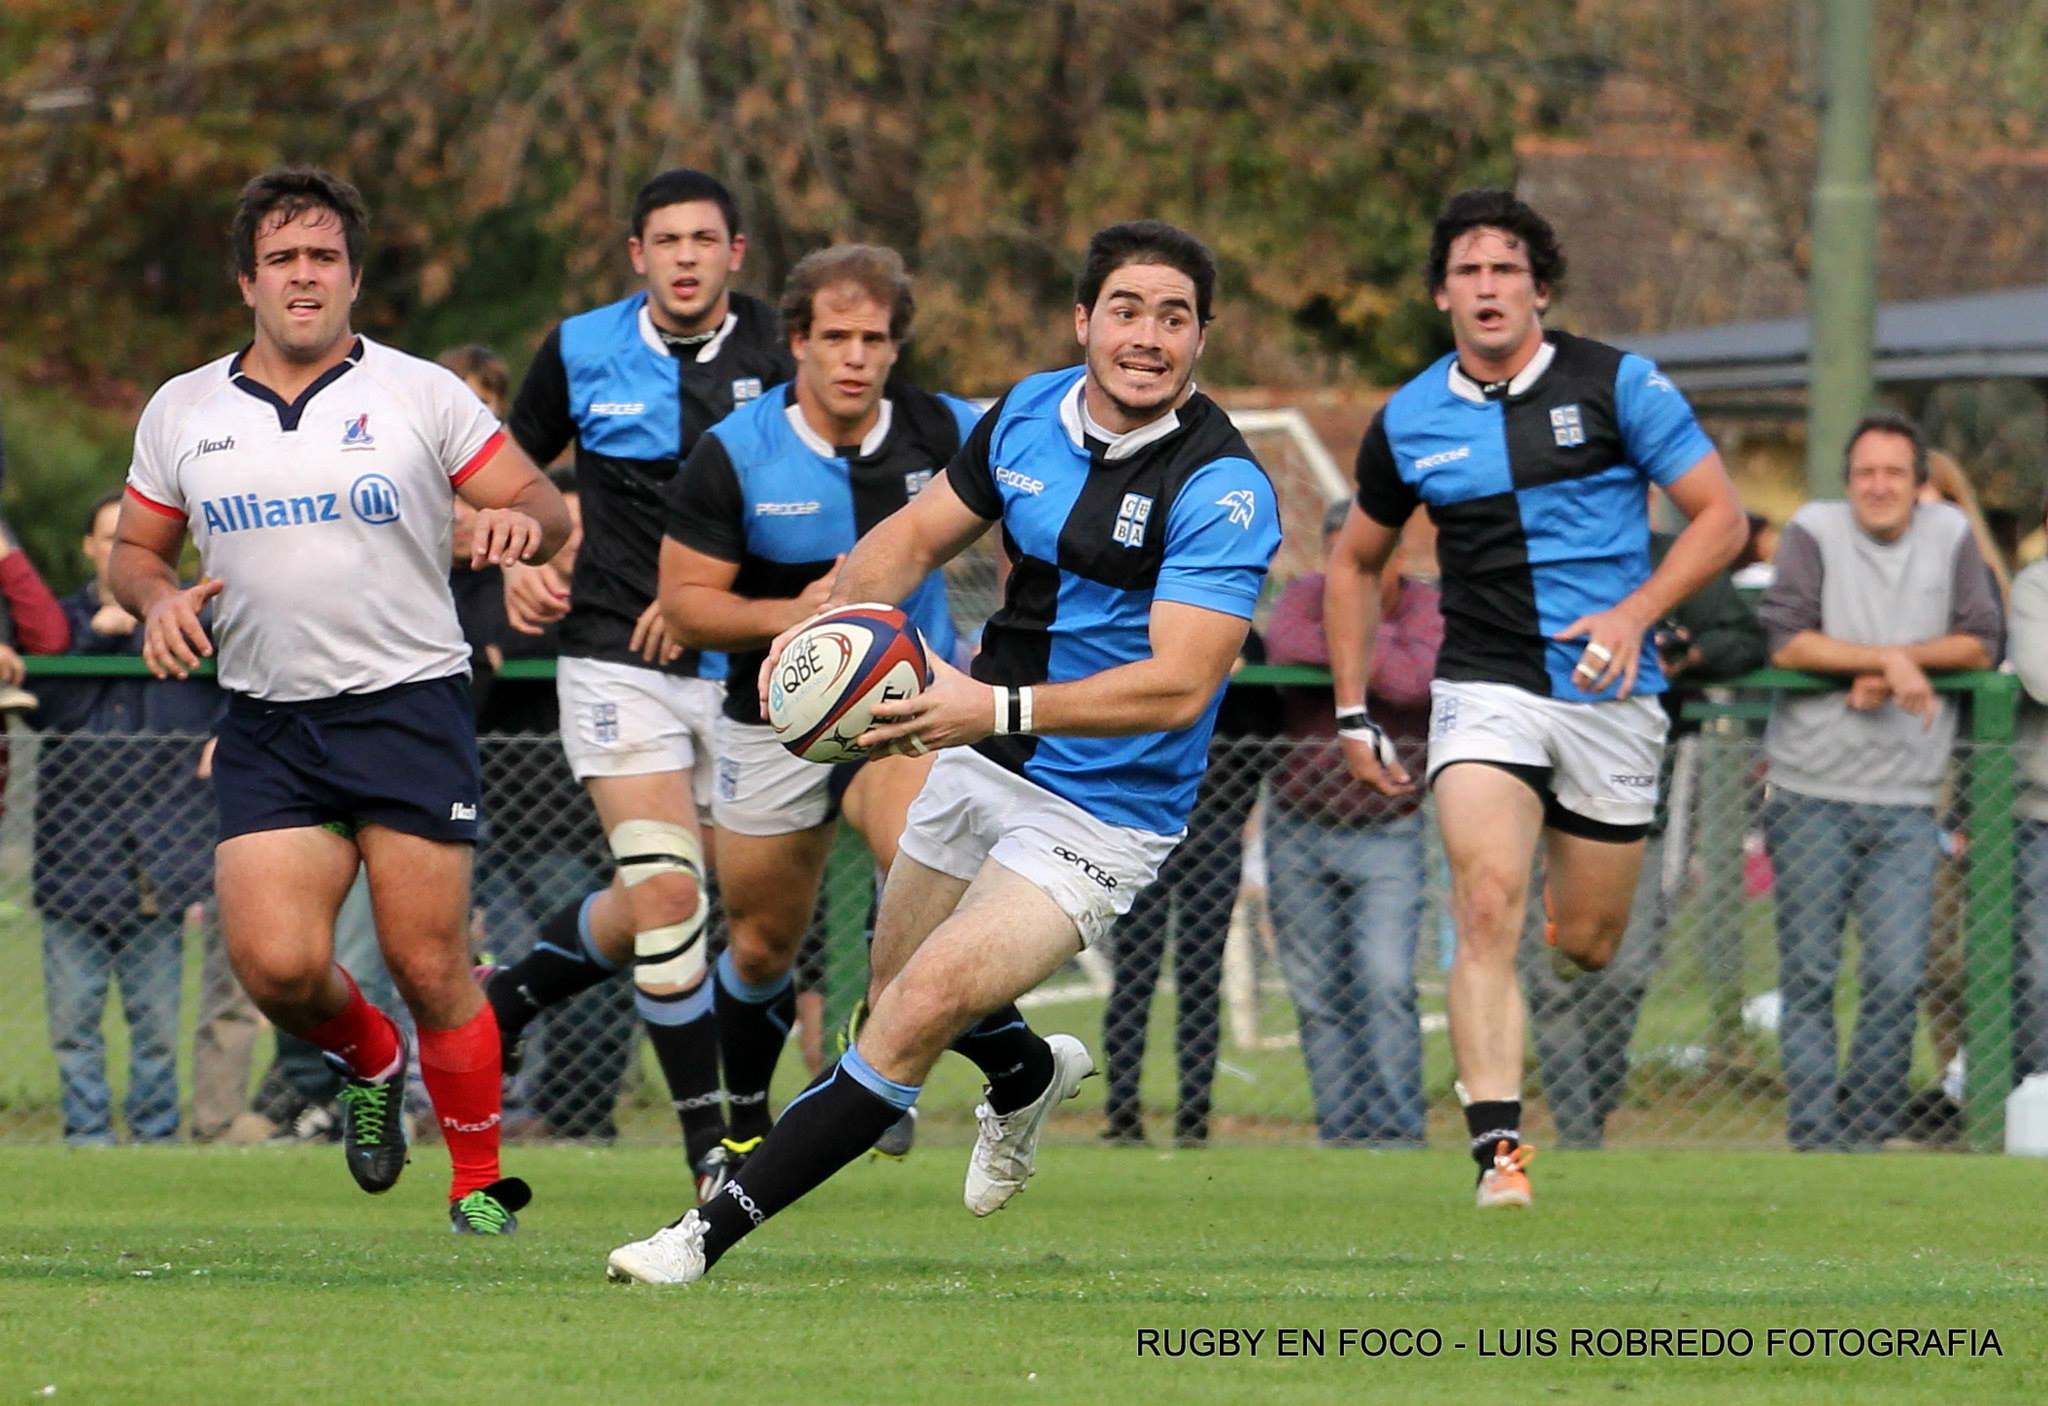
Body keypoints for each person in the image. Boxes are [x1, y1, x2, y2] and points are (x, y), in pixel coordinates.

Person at [605, 219, 1281, 1283]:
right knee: (894, 993)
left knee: (913, 1012)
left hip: (1101, 807)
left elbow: (1179, 682)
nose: (1146, 336)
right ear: (1081, 320)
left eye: (1173, 317)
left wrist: (992, 709)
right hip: (980, 751)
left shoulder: (1223, 485)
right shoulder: (1023, 413)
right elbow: (910, 541)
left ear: (1202, 336)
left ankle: (699, 1235)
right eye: (1125, 310)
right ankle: (1021, 1075)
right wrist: (825, 622)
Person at [111, 166, 571, 1232]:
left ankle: (478, 1186)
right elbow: (137, 550)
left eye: (323, 257)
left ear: (353, 277)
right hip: (268, 724)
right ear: (247, 281)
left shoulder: (420, 393)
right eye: (283, 258)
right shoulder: (183, 408)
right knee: (276, 966)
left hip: (406, 707)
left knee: (428, 962)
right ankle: (367, 1060)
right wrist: (156, 599)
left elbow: (540, 502)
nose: (303, 276)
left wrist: (517, 527)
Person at [1324, 188, 1746, 1208]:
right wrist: (1350, 709)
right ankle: (1498, 1153)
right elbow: (1351, 564)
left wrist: (1633, 611)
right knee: (1481, 907)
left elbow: (1721, 519)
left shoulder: (1618, 384)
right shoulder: (1408, 417)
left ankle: (1565, 883)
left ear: (1538, 289)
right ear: (1441, 295)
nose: (1485, 286)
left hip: (1610, 694)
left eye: (1504, 268)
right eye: (1466, 270)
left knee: (1591, 944)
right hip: (1484, 685)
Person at [479, 169, 792, 1195]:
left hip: (748, 664)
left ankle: (513, 996)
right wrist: (523, 555)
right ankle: (711, 1146)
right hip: (615, 655)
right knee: (666, 892)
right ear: (637, 254)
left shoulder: (783, 353)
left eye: (705, 238)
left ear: (735, 254)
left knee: (750, 915)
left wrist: (707, 595)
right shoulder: (578, 348)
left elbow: (808, 495)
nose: (687, 256)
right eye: (667, 239)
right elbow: (510, 472)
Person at [659, 244, 982, 1185]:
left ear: (895, 348)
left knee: (924, 851)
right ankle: (747, 1123)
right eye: (834, 336)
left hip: (901, 706)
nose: (854, 356)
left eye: (873, 339)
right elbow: (684, 603)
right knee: (761, 942)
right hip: (770, 716)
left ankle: (875, 1038)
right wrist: (788, 617)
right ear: (795, 340)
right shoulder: (736, 451)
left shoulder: (946, 431)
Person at [1756, 412, 2001, 1151]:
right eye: (1865, 472)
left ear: (1918, 482)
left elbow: (1982, 640)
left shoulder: (1949, 536)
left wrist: (1890, 661)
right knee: (1808, 976)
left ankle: (1866, 1142)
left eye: (1894, 472)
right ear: (1847, 480)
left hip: (1906, 799)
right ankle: (1813, 1140)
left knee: (1896, 981)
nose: (1879, 486)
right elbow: (1788, 635)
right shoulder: (1813, 530)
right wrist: (1885, 663)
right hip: (1808, 790)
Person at [1519, 523, 1765, 1148]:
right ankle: (1579, 1135)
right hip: (1534, 784)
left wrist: (1683, 654)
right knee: (1547, 978)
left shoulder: (1669, 556)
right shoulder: (1534, 540)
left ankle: (1594, 1112)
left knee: (1623, 973)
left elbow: (1745, 639)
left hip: (1639, 791)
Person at [33, 491, 214, 1144]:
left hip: (158, 868)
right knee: (75, 1024)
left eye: (127, 538)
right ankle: (86, 1142)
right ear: (88, 548)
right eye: (106, 538)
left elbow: (243, 687)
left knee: (158, 1026)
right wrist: (88, 638)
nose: (115, 551)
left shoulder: (194, 616)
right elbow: (42, 710)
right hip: (72, 866)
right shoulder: (55, 623)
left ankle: (157, 1141)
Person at [1265, 499, 1442, 1148]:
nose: (1350, 570)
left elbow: (1414, 679)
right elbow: (1286, 641)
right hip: (1298, 824)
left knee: (1387, 983)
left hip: (1387, 828)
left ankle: (1397, 1133)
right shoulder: (1301, 595)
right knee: (1317, 994)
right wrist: (1372, 647)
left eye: (1365, 556)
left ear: (1397, 554)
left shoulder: (1426, 607)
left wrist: (1344, 642)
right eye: (1339, 556)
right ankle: (1340, 1133)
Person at [2006, 494, 2048, 1085]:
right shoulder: (2035, 587)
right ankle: (2034, 1100)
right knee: (2041, 975)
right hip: (2041, 815)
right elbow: (2042, 677)